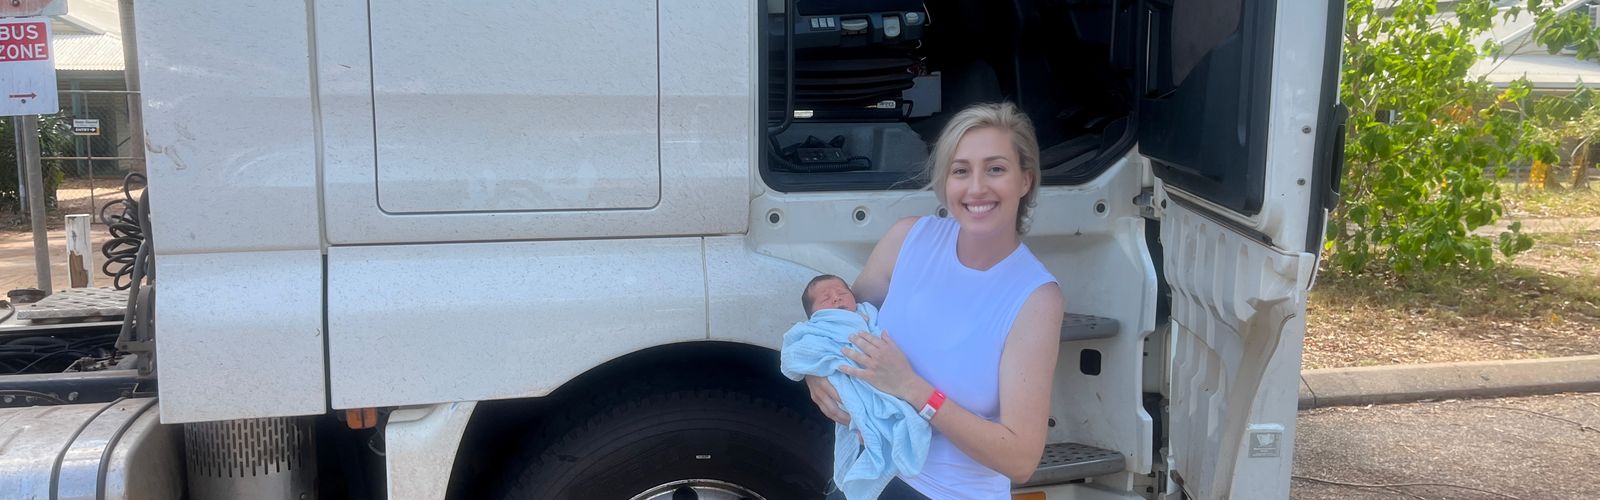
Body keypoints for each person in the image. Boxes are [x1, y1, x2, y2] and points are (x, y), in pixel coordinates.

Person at [809, 102, 1064, 499]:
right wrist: (815, 374)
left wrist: (913, 388)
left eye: (995, 169)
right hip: (866, 475)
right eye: (961, 171)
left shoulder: (1036, 299)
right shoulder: (907, 239)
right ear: (945, 183)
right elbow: (837, 324)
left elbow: (1021, 459)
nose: (976, 188)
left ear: (1025, 180)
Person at [782, 274, 933, 500]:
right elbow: (794, 355)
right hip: (849, 378)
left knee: (885, 407)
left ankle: (876, 430)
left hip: (885, 377)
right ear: (813, 314)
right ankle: (870, 429)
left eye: (842, 293)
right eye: (826, 299)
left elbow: (877, 333)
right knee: (861, 407)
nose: (836, 299)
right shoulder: (814, 328)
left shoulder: (867, 314)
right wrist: (817, 365)